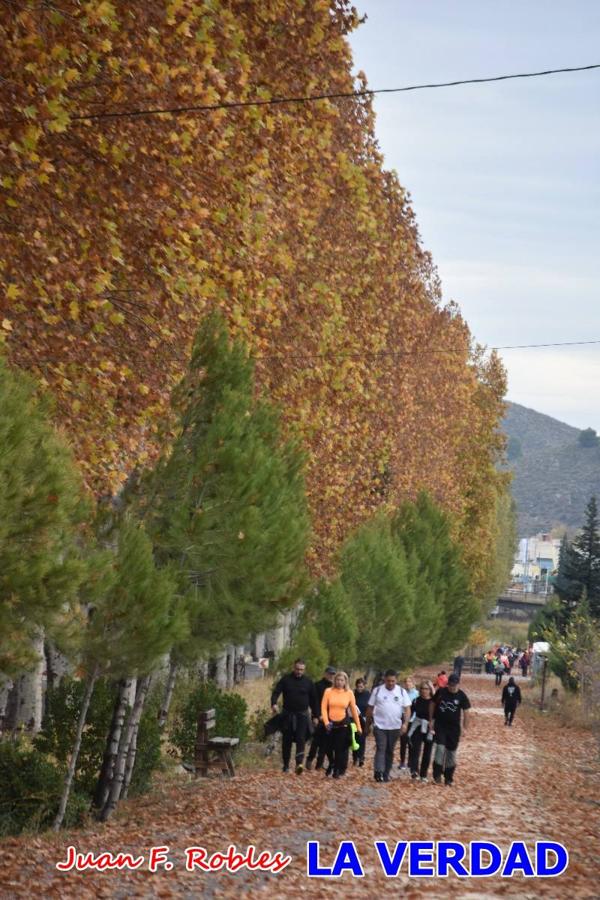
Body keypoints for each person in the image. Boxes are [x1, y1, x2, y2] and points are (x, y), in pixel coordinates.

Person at [271, 658, 319, 774]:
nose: (299, 672)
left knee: (301, 739)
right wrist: (273, 703)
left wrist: (316, 715)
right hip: (287, 714)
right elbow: (276, 692)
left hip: (302, 715)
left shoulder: (308, 682)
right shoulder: (286, 679)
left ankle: (299, 764)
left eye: (301, 670)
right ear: (293, 667)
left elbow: (314, 700)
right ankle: (286, 765)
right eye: (297, 669)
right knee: (286, 740)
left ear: (304, 669)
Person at [366, 669, 411, 783]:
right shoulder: (377, 691)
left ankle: (386, 773)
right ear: (384, 680)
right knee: (381, 747)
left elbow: (407, 709)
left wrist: (405, 723)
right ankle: (378, 771)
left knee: (389, 750)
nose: (390, 683)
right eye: (388, 681)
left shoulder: (401, 692)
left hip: (395, 726)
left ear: (396, 680)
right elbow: (370, 708)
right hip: (380, 725)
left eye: (393, 681)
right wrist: (368, 724)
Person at [431, 673, 471, 786]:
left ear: (458, 684)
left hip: (454, 729)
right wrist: (431, 720)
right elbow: (432, 704)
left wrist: (465, 728)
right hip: (440, 725)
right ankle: (437, 774)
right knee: (440, 748)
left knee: (451, 753)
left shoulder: (462, 696)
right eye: (450, 685)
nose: (451, 687)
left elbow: (466, 712)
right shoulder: (441, 692)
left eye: (454, 685)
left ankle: (448, 777)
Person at [321, 671, 362, 778]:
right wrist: (326, 722)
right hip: (330, 723)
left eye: (342, 680)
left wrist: (358, 726)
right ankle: (332, 762)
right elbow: (324, 708)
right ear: (335, 681)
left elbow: (353, 711)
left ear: (345, 682)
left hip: (343, 724)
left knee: (339, 749)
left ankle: (337, 770)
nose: (339, 682)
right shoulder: (328, 691)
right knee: (327, 748)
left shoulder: (349, 693)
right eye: (338, 680)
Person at [306, 665, 336, 771]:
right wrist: (316, 715)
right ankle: (310, 759)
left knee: (326, 741)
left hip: (331, 718)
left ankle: (319, 763)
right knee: (316, 740)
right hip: (319, 717)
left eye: (333, 674)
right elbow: (314, 702)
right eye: (329, 674)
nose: (331, 676)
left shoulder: (335, 687)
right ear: (325, 674)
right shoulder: (318, 685)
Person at [408, 680, 435, 782]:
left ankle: (423, 774)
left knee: (427, 751)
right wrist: (406, 724)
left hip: (429, 727)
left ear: (430, 690)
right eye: (423, 689)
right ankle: (414, 770)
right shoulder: (416, 700)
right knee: (415, 749)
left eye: (427, 689)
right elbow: (410, 713)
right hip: (418, 725)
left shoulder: (433, 701)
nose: (424, 691)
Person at [398, 676, 418, 772]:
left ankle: (410, 761)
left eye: (410, 682)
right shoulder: (402, 693)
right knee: (403, 741)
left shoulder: (417, 694)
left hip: (413, 720)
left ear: (413, 683)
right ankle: (402, 761)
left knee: (412, 742)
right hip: (403, 719)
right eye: (406, 682)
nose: (408, 684)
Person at [353, 677, 371, 767]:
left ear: (364, 686)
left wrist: (370, 720)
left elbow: (370, 707)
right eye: (358, 686)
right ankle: (355, 757)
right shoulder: (352, 693)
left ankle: (361, 758)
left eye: (361, 686)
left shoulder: (368, 694)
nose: (359, 688)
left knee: (362, 739)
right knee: (354, 739)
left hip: (363, 719)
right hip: (353, 719)